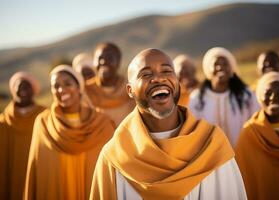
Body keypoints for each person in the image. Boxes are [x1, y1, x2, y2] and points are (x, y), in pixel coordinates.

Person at [89, 48, 247, 200]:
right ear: (130, 90)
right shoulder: (114, 157)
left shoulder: (212, 144)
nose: (158, 78)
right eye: (145, 74)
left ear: (177, 82)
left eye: (166, 71)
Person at [24, 65, 115, 200]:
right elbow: (37, 171)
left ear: (79, 87)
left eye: (68, 84)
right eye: (56, 86)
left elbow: (111, 169)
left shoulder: (102, 123)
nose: (61, 90)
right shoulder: (43, 123)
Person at [235, 72, 279, 200]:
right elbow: (242, 180)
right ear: (259, 97)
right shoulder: (249, 134)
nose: (273, 97)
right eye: (268, 93)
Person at [189, 47, 259, 146]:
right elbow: (193, 130)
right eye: (216, 64)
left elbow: (256, 123)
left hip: (242, 155)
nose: (220, 67)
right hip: (210, 157)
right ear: (208, 69)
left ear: (232, 69)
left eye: (225, 64)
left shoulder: (246, 95)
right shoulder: (197, 98)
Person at [0, 72, 45, 200]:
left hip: (39, 176)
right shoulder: (3, 123)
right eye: (18, 86)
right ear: (12, 90)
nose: (22, 89)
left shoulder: (46, 117)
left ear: (34, 89)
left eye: (27, 86)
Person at [93, 42, 135, 125]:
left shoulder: (132, 89)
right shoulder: (85, 90)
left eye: (109, 58)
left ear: (118, 62)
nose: (103, 62)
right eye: (100, 58)